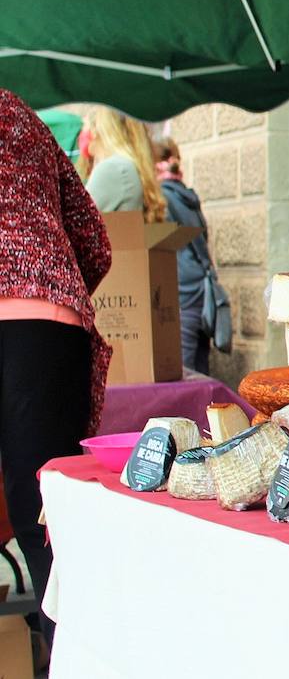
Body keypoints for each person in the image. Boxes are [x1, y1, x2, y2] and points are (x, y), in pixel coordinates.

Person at [0, 89, 113, 656]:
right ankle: (77, 657)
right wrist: (49, 296)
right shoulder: (18, 112)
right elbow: (93, 239)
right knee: (51, 521)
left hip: (39, 321)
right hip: (48, 327)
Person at [153, 137, 214, 373]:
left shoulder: (162, 197)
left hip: (182, 290)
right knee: (201, 366)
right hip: (201, 288)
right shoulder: (187, 195)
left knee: (185, 370)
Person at [83, 106, 167, 222]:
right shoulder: (127, 166)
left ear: (97, 129)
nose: (83, 131)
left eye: (85, 125)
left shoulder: (113, 169)